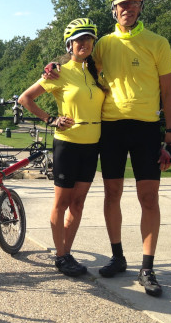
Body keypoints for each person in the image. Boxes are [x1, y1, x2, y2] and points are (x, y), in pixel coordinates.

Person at [46, 0, 171, 296]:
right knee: (112, 194)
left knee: (149, 198)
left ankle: (147, 266)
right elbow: (77, 63)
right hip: (111, 129)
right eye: (121, 4)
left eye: (133, 3)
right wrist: (53, 67)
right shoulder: (103, 43)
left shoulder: (157, 42)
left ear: (141, 6)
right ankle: (118, 257)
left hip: (146, 128)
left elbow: (168, 91)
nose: (127, 8)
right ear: (114, 9)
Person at [19, 18, 107, 277]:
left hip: (92, 145)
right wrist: (51, 119)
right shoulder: (58, 72)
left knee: (78, 204)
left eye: (89, 39)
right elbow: (26, 98)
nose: (85, 43)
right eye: (79, 39)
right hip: (68, 145)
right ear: (69, 44)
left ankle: (66, 253)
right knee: (62, 202)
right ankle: (61, 255)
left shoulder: (97, 72)